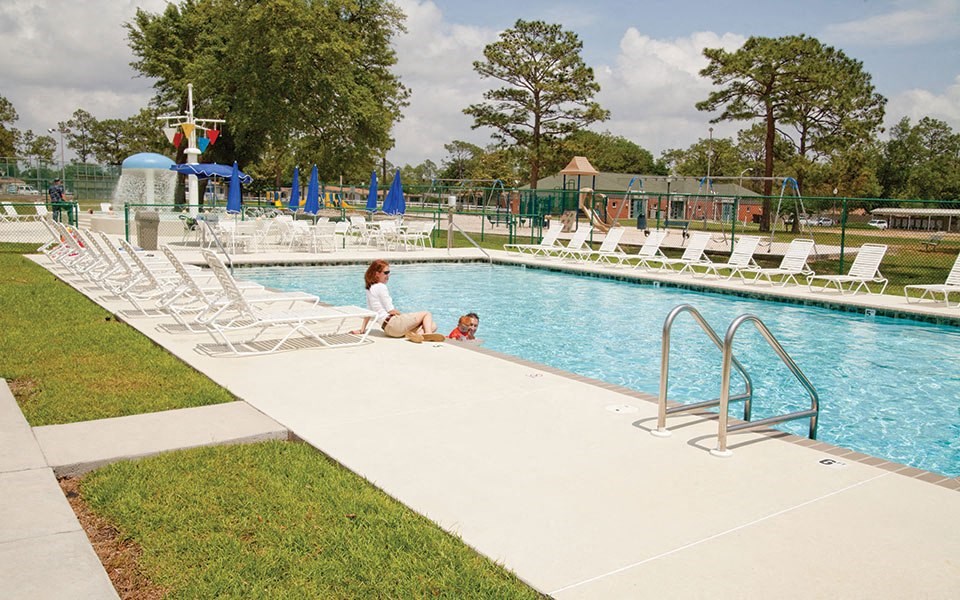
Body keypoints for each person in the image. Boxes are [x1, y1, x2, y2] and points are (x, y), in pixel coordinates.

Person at [364, 259, 444, 343]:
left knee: (432, 325)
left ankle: (418, 335)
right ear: (377, 274)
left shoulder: (370, 289)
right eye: (386, 273)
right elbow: (391, 310)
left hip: (389, 330)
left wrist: (362, 330)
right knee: (427, 314)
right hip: (394, 324)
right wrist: (404, 316)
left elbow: (369, 312)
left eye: (389, 272)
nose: (388, 275)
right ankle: (428, 334)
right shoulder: (381, 287)